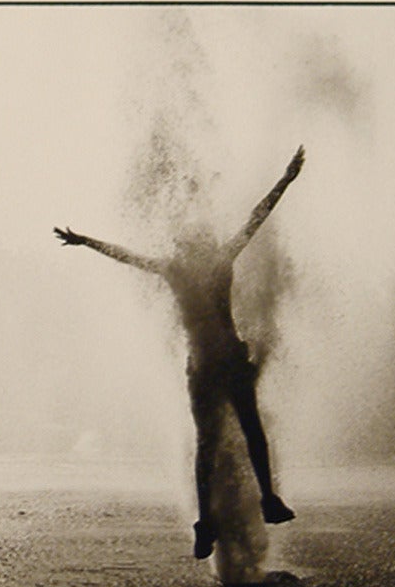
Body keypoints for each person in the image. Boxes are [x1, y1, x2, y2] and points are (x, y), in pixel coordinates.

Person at [54, 145, 304, 559]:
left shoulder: (177, 268)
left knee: (208, 443)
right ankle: (266, 500)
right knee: (250, 432)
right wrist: (286, 179)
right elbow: (255, 219)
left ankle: (209, 522)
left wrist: (84, 241)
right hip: (226, 361)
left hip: (205, 366)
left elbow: (127, 256)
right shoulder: (217, 259)